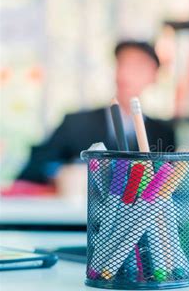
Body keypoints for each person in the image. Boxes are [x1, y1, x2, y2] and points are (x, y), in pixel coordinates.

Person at [14, 40, 175, 187]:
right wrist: (59, 173)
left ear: (154, 76)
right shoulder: (75, 124)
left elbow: (170, 185)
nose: (126, 73)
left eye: (138, 67)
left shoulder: (163, 133)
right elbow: (32, 170)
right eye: (123, 63)